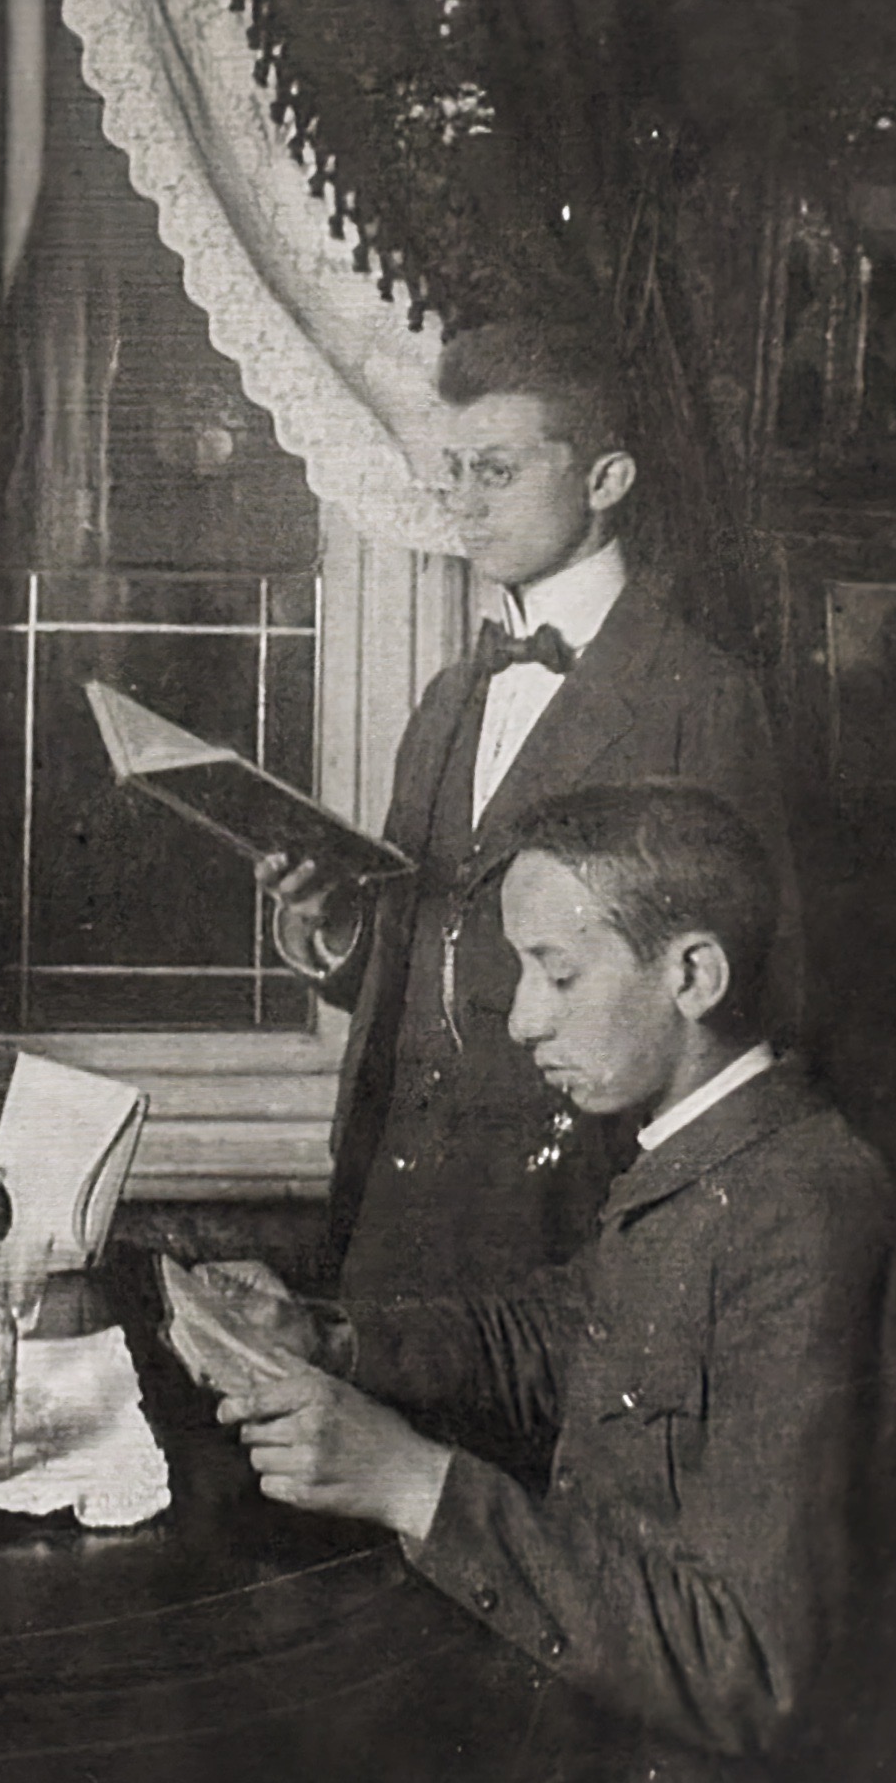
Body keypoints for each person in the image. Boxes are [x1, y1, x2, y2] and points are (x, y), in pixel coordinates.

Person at [196, 782, 896, 1783]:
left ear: (693, 974)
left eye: (555, 972)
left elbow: (749, 1665)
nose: (522, 1021)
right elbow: (559, 1333)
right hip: (640, 1770)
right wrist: (332, 1337)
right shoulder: (711, 1157)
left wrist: (415, 1485)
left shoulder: (804, 1218)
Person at [263, 322, 791, 1316]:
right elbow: (426, 956)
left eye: (496, 471)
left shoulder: (700, 699)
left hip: (572, 1223)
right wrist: (334, 923)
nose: (463, 502)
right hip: (392, 1209)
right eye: (454, 471)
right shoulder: (447, 697)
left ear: (606, 480)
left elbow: (743, 1007)